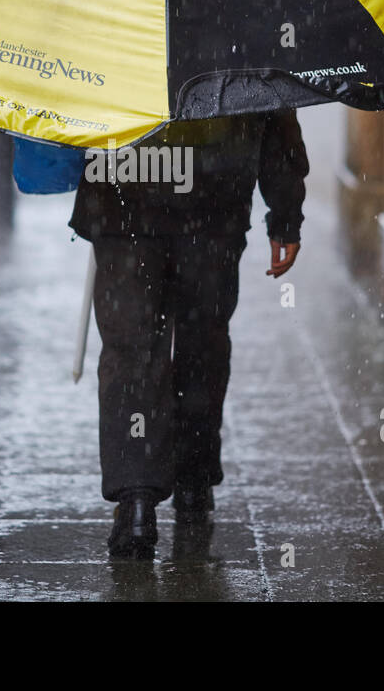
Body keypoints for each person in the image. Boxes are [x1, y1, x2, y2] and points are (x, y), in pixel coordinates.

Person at [69, 110, 308, 559]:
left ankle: (137, 500)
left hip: (124, 192)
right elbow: (275, 106)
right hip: (215, 198)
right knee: (203, 342)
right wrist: (286, 212)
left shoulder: (119, 36)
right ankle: (193, 476)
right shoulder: (241, 37)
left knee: (131, 349)